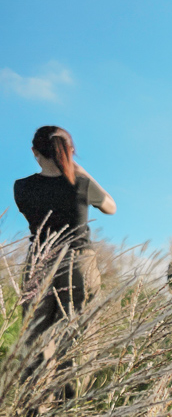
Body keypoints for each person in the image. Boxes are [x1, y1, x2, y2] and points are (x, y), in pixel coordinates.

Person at [13, 125, 116, 400]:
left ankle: (33, 407)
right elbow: (110, 207)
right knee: (75, 333)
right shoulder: (80, 184)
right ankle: (69, 408)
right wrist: (78, 170)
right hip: (77, 260)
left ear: (35, 152)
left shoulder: (21, 187)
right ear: (69, 151)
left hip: (39, 259)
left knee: (34, 334)